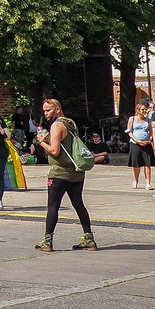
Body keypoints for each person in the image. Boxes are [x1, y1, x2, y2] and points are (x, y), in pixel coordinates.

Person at [34, 98, 96, 253]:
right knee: (79, 204)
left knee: (53, 206)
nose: (46, 113)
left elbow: (55, 151)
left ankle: (47, 241)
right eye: (44, 111)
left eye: (48, 110)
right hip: (77, 172)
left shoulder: (57, 126)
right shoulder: (71, 124)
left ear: (57, 109)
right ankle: (89, 239)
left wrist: (41, 142)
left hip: (60, 173)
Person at [127, 98, 155, 190]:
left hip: (146, 144)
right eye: (142, 110)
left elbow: (151, 132)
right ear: (138, 111)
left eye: (145, 109)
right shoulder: (132, 119)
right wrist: (136, 140)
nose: (144, 111)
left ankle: (148, 183)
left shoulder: (149, 120)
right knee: (136, 164)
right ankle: (135, 181)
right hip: (135, 144)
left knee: (147, 164)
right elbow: (129, 131)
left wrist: (149, 140)